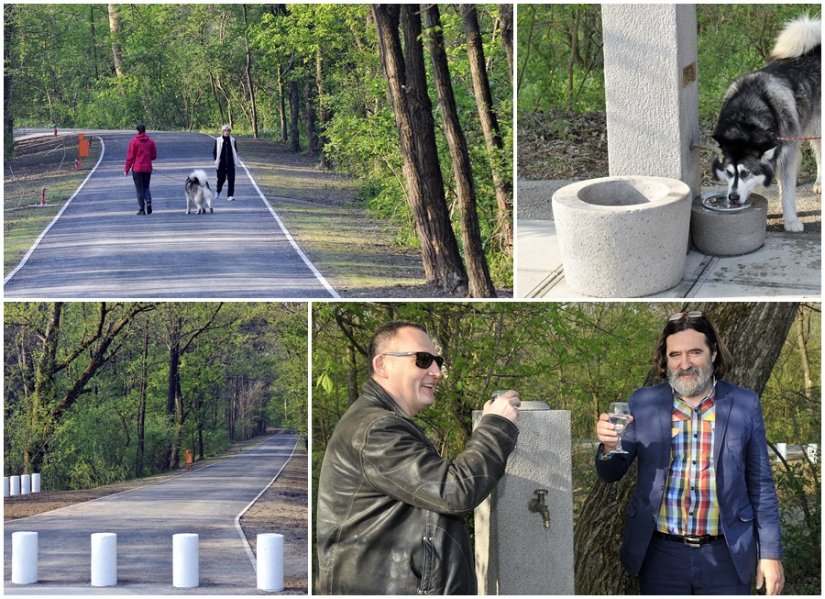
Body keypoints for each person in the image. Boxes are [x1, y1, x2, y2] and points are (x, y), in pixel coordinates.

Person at [316, 321, 520, 594]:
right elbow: (455, 492)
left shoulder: (382, 423)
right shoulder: (375, 429)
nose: (436, 372)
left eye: (438, 360)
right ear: (382, 365)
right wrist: (496, 426)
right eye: (423, 360)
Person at [595, 311, 784, 595]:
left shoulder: (744, 404)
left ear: (714, 353)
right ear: (666, 359)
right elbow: (611, 473)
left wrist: (770, 553)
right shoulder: (643, 402)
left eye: (695, 352)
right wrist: (609, 447)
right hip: (660, 556)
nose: (685, 364)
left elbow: (761, 484)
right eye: (675, 355)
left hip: (728, 555)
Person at [123, 124, 157, 215]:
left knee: (139, 189)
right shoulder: (151, 142)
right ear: (145, 131)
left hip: (137, 169)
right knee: (146, 187)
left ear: (138, 131)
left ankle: (142, 209)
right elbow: (154, 156)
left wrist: (126, 169)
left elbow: (130, 157)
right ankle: (148, 201)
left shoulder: (133, 142)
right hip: (147, 169)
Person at [212, 124, 240, 201]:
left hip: (231, 163)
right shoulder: (218, 140)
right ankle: (218, 191)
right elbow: (215, 152)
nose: (227, 132)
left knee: (231, 179)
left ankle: (230, 195)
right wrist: (217, 160)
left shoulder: (233, 140)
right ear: (222, 131)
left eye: (228, 130)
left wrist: (234, 160)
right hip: (221, 164)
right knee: (221, 179)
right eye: (225, 130)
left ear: (230, 132)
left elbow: (235, 150)